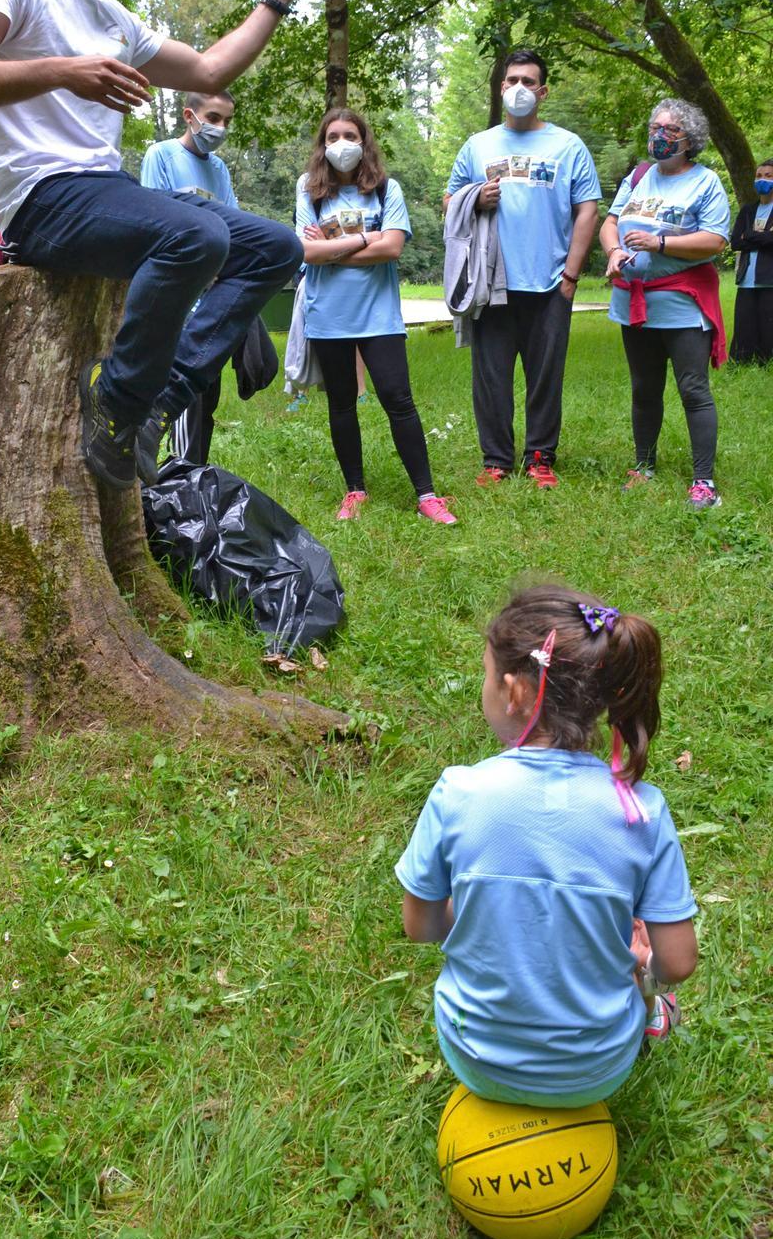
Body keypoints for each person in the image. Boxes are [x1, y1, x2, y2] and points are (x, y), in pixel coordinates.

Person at [0, 0, 307, 490]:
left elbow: (209, 72)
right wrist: (64, 71)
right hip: (42, 201)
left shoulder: (112, 18)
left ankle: (159, 398)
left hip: (106, 191)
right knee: (197, 236)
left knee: (274, 247)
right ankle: (116, 404)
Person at [396, 583, 698, 1108]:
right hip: (598, 1072)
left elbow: (420, 927)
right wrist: (643, 964)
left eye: (486, 677)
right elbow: (678, 961)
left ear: (513, 692)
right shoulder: (642, 810)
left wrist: (487, 904)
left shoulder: (458, 792)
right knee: (640, 943)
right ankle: (651, 1015)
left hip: (475, 1059)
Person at [444, 49, 601, 489]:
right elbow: (449, 200)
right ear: (501, 87)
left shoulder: (567, 145)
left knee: (545, 376)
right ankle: (496, 460)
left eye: (528, 82)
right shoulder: (478, 145)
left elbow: (587, 210)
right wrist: (475, 198)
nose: (519, 89)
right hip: (491, 282)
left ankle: (540, 457)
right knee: (491, 377)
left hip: (550, 282)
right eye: (512, 80)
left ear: (543, 91)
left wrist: (570, 276)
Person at [295, 107, 456, 524]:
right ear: (322, 145)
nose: (341, 144)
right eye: (332, 137)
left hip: (378, 318)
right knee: (342, 405)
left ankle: (426, 495)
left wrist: (334, 250)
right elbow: (306, 252)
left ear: (364, 143)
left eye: (350, 135)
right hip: (327, 316)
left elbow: (393, 248)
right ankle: (354, 491)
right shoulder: (309, 189)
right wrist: (368, 237)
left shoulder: (386, 190)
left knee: (398, 400)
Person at [600, 99, 730, 508]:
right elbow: (610, 221)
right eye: (655, 126)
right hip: (634, 303)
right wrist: (613, 253)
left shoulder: (705, 182)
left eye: (670, 130)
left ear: (690, 139)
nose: (659, 135)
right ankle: (643, 466)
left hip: (682, 303)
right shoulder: (639, 175)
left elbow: (715, 240)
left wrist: (661, 243)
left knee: (693, 390)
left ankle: (704, 481)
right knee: (644, 389)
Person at [140, 88, 276, 462]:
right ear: (189, 116)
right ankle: (178, 483)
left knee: (206, 398)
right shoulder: (162, 155)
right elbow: (156, 225)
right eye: (213, 118)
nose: (220, 128)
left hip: (216, 302)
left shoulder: (219, 169)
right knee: (184, 402)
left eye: (226, 121)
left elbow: (236, 230)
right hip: (180, 304)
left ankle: (193, 478)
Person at [730, 157, 773, 365]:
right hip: (746, 277)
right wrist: (764, 237)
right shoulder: (748, 210)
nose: (762, 180)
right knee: (744, 324)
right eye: (759, 176)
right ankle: (741, 363)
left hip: (769, 278)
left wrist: (751, 236)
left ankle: (767, 363)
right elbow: (736, 242)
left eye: (768, 176)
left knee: (768, 324)